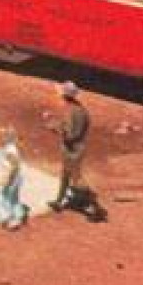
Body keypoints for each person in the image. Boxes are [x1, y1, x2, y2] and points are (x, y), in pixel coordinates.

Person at [45, 82, 105, 220]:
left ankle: (94, 207)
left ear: (64, 96)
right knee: (66, 174)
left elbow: (70, 134)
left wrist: (53, 126)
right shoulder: (81, 109)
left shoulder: (70, 111)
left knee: (76, 178)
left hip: (72, 149)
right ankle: (59, 202)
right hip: (78, 147)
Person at [0, 126, 28, 230]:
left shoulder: (10, 149)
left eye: (3, 135)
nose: (1, 137)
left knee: (1, 198)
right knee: (14, 198)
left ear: (8, 137)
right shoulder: (12, 146)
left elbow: (14, 164)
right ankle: (19, 216)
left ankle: (10, 220)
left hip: (12, 176)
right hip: (17, 176)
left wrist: (7, 178)